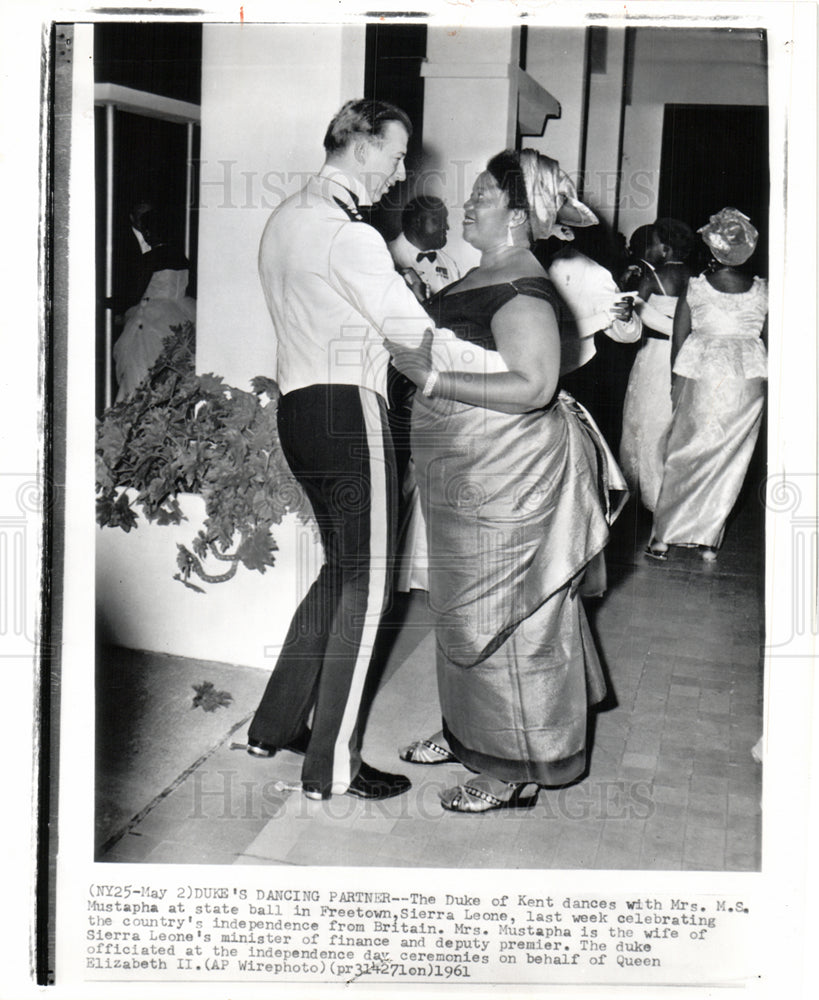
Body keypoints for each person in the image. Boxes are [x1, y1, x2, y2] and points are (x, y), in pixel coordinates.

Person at [387, 149, 627, 812]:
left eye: (482, 196)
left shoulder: (522, 289)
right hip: (468, 473)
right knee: (466, 611)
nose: (467, 205)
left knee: (511, 615)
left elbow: (533, 385)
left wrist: (433, 379)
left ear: (518, 216)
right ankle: (471, 734)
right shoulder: (487, 271)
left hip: (509, 476)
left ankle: (516, 764)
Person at [245, 99, 440, 801]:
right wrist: (498, 369)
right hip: (349, 412)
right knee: (371, 580)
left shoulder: (285, 218)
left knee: (341, 572)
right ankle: (333, 766)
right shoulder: (345, 234)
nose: (400, 169)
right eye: (394, 153)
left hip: (299, 413)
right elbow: (414, 333)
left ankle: (272, 725)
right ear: (360, 148)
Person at [646, 208, 767, 562]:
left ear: (713, 249)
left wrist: (674, 382)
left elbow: (678, 338)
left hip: (702, 375)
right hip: (747, 380)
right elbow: (769, 339)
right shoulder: (763, 291)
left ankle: (663, 538)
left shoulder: (696, 287)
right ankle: (708, 539)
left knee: (683, 452)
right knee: (730, 459)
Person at [534, 208, 642, 452]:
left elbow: (629, 332)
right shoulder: (515, 265)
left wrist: (623, 318)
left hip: (572, 378)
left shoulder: (591, 272)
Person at [619, 218, 695, 511]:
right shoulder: (696, 278)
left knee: (642, 419)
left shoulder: (655, 277)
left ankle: (644, 495)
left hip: (654, 354)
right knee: (669, 421)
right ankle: (672, 495)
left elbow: (635, 312)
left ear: (667, 247)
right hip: (683, 355)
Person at [112, 203, 196, 403]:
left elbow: (133, 295)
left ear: (150, 231)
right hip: (181, 314)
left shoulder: (150, 259)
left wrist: (106, 302)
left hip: (152, 318)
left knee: (141, 374)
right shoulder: (181, 257)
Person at [388, 195, 461, 301]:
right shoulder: (385, 254)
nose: (446, 226)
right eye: (437, 220)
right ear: (417, 222)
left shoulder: (449, 263)